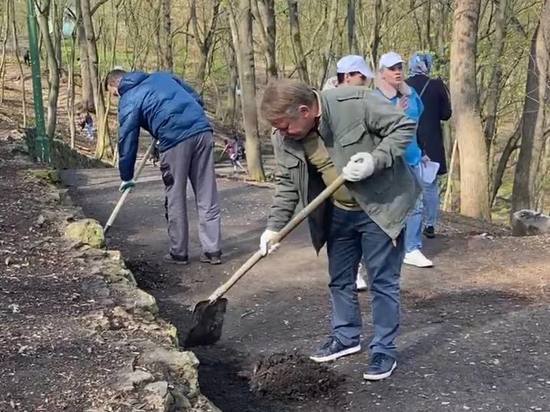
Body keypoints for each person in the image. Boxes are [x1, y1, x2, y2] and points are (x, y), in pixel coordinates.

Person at [259, 79, 419, 381]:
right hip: (338, 213)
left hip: (380, 208)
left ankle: (383, 348)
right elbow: (286, 186)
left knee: (382, 282)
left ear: (305, 111)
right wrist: (273, 229)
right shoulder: (285, 139)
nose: (281, 133)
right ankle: (346, 337)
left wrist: (375, 160)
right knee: (340, 280)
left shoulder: (355, 103)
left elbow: (403, 127)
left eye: (285, 125)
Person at [104, 69, 222, 265]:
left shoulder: (129, 97)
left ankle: (179, 253)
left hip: (175, 140)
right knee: (206, 193)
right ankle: (213, 251)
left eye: (112, 93)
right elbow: (195, 98)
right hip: (202, 131)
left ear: (115, 85)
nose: (115, 97)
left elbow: (127, 137)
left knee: (175, 196)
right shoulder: (162, 76)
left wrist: (126, 175)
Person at [375, 51, 432, 268]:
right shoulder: (375, 98)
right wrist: (395, 113)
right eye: (392, 68)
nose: (397, 72)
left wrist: (423, 151)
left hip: (412, 156)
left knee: (416, 203)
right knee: (386, 206)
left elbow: (417, 123)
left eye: (399, 67)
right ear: (382, 73)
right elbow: (375, 130)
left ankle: (412, 248)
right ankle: (382, 250)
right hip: (388, 159)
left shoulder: (411, 94)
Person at [323, 55, 374, 290]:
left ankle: (359, 271)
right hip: (335, 185)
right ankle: (349, 271)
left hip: (365, 179)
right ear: (348, 76)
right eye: (361, 77)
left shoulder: (368, 100)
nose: (364, 81)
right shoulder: (325, 103)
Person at [406, 52, 452, 238]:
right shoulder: (436, 85)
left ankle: (406, 225)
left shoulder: (404, 86)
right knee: (430, 185)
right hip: (431, 142)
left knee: (407, 184)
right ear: (428, 65)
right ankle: (430, 224)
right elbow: (446, 114)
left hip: (407, 141)